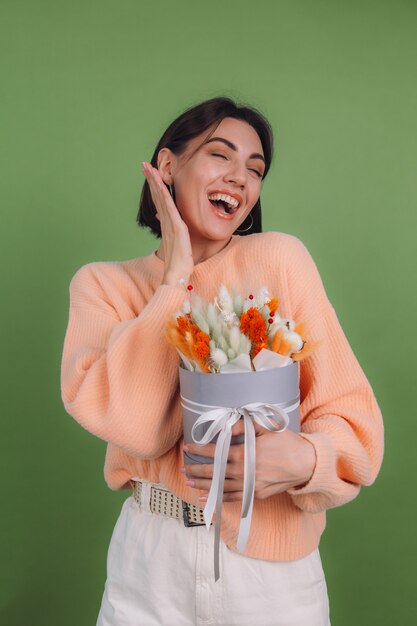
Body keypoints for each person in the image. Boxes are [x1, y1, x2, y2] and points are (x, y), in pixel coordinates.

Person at [60, 97, 384, 626]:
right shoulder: (103, 287)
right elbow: (137, 428)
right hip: (149, 563)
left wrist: (305, 459)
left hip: (271, 574)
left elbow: (354, 421)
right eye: (220, 156)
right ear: (168, 167)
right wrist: (175, 278)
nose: (239, 178)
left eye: (254, 170)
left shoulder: (279, 259)